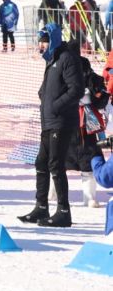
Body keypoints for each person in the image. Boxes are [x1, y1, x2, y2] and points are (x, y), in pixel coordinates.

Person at [18, 38, 84, 228]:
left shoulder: (67, 58)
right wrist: (43, 97)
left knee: (55, 164)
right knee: (41, 162)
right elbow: (47, 88)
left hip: (61, 121)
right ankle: (41, 206)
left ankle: (63, 212)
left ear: (53, 40)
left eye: (44, 42)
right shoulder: (51, 60)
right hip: (48, 121)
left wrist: (55, 106)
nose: (41, 46)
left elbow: (76, 90)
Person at [58, 43, 108, 207]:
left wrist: (91, 97)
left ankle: (89, 197)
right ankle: (55, 194)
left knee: (88, 157)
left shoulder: (85, 70)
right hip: (67, 123)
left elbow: (101, 97)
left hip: (85, 125)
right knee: (59, 160)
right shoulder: (59, 70)